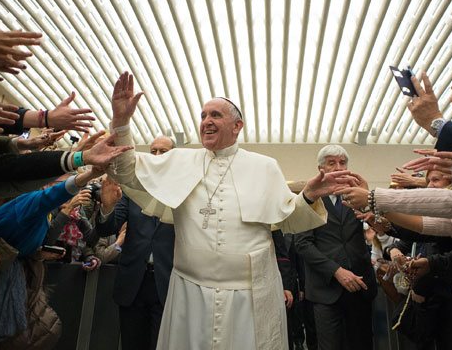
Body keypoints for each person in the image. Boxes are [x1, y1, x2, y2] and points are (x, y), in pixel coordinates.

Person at [107, 72, 358, 350]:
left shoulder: (264, 167)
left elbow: (289, 221)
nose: (206, 122)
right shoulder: (179, 160)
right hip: (191, 292)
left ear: (237, 125)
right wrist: (121, 123)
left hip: (249, 296)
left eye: (215, 115)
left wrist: (309, 195)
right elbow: (125, 171)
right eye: (203, 116)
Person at [97, 136, 176, 350]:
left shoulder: (183, 193)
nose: (157, 156)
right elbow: (106, 228)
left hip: (167, 285)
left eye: (163, 151)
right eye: (153, 151)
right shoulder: (132, 190)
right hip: (133, 285)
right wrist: (107, 206)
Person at [295, 145, 377, 350]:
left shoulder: (359, 194)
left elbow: (379, 229)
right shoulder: (311, 199)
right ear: (321, 168)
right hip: (325, 289)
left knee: (362, 344)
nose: (338, 167)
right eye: (332, 163)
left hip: (360, 286)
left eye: (342, 162)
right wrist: (337, 271)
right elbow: (303, 244)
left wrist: (369, 204)